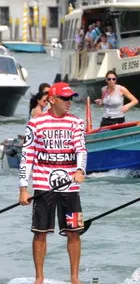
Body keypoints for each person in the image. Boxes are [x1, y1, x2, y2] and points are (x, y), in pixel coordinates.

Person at [18, 82, 87, 284]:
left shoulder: (77, 123)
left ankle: (74, 277)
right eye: (64, 98)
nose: (69, 102)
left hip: (71, 187)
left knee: (74, 232)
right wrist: (23, 188)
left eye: (70, 98)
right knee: (40, 233)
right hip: (43, 185)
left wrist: (80, 169)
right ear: (52, 99)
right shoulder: (35, 123)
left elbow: (81, 149)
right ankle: (39, 278)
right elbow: (27, 156)